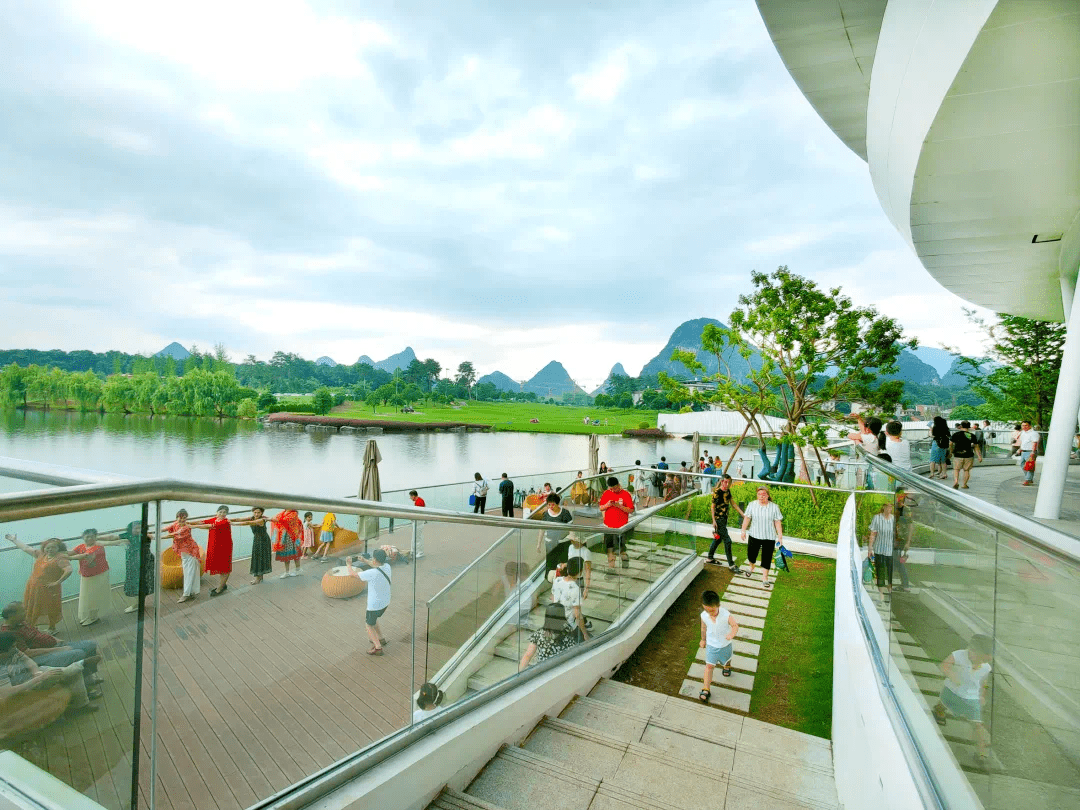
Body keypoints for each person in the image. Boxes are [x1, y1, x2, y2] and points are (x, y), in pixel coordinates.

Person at [1, 603, 101, 695]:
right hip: (41, 655)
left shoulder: (22, 623)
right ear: (11, 616)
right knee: (78, 654)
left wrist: (57, 640)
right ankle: (84, 690)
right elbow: (28, 653)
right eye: (22, 611)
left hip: (53, 645)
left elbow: (39, 633)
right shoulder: (9, 634)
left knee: (90, 645)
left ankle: (88, 679)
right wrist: (59, 650)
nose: (25, 613)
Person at [932, 634, 993, 769]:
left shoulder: (986, 668)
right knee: (944, 704)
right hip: (952, 691)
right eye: (972, 651)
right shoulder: (959, 655)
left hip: (971, 697)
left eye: (979, 656)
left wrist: (983, 695)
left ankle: (981, 752)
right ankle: (939, 708)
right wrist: (952, 676)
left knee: (977, 724)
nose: (972, 655)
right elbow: (944, 665)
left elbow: (984, 682)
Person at [5, 535, 72, 633]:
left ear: (58, 548)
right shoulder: (41, 555)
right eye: (47, 547)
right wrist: (14, 540)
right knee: (31, 605)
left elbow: (69, 570)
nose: (50, 549)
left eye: (53, 547)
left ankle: (52, 628)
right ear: (44, 548)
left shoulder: (60, 558)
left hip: (49, 588)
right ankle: (31, 627)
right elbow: (26, 548)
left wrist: (58, 582)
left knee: (50, 607)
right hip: (33, 586)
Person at [68, 529, 125, 626]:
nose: (89, 538)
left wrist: (64, 557)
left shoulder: (98, 547)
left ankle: (93, 616)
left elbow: (83, 556)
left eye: (92, 536)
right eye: (87, 536)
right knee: (86, 597)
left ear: (96, 537)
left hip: (98, 575)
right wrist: (59, 552)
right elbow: (71, 552)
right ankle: (89, 615)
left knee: (94, 596)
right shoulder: (81, 546)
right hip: (86, 575)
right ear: (83, 537)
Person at [345, 549, 391, 656]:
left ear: (375, 559)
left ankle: (377, 647)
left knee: (368, 625)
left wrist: (348, 565)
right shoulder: (387, 567)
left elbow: (353, 574)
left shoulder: (371, 573)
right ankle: (381, 638)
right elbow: (376, 566)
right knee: (373, 620)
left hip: (374, 605)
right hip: (385, 602)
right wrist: (365, 561)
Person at [697, 589, 738, 703]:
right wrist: (703, 639)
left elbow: (735, 625)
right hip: (712, 646)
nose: (710, 613)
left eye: (712, 610)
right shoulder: (704, 615)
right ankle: (706, 689)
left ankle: (727, 666)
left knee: (727, 660)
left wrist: (731, 634)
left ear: (718, 605)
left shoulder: (726, 614)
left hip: (725, 644)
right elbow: (703, 628)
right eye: (707, 610)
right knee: (709, 667)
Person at [739, 486, 783, 589]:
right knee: (751, 555)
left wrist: (780, 536)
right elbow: (747, 518)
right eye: (759, 494)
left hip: (769, 537)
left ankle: (765, 578)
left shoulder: (774, 507)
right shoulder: (752, 505)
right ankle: (751, 567)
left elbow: (777, 522)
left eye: (764, 494)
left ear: (768, 495)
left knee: (766, 558)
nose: (761, 496)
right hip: (754, 535)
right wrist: (743, 531)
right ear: (757, 495)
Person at [519, 603, 579, 670]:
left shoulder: (539, 635)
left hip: (545, 670)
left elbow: (527, 656)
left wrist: (519, 674)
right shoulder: (568, 630)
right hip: (564, 667)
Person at [707, 475, 744, 573]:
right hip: (718, 520)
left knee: (718, 539)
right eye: (726, 482)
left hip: (724, 519)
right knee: (727, 541)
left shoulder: (727, 491)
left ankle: (710, 558)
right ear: (722, 481)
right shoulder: (717, 492)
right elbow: (712, 507)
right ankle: (731, 565)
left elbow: (733, 504)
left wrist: (743, 515)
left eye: (729, 482)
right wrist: (714, 521)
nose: (727, 484)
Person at [164, 510, 202, 603]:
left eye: (184, 517)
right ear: (177, 517)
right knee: (189, 573)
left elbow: (174, 534)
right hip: (184, 553)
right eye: (180, 517)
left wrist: (156, 537)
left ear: (186, 518)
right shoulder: (176, 524)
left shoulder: (186, 528)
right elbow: (167, 528)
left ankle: (186, 595)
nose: (182, 519)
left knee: (189, 574)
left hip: (191, 553)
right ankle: (192, 592)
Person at [117, 519, 153, 613]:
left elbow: (150, 537)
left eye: (140, 528)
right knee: (136, 582)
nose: (138, 530)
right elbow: (112, 537)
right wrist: (98, 539)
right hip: (134, 563)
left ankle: (139, 604)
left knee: (141, 582)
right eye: (135, 528)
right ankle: (139, 604)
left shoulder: (144, 536)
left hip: (144, 561)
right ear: (131, 529)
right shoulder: (128, 535)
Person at [599, 476, 634, 570]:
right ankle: (611, 568)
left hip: (621, 528)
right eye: (611, 489)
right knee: (609, 549)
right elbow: (601, 507)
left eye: (615, 488)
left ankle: (625, 564)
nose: (613, 490)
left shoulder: (626, 494)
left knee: (621, 550)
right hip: (608, 527)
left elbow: (631, 510)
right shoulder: (606, 493)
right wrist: (607, 505)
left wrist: (619, 506)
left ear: (618, 485)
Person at [551, 558, 590, 642]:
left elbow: (553, 598)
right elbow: (577, 614)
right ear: (579, 572)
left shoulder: (557, 580)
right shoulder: (575, 589)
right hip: (567, 625)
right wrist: (584, 634)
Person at [199, 506, 234, 596]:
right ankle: (223, 584)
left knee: (224, 567)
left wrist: (191, 526)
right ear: (217, 512)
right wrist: (187, 522)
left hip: (225, 547)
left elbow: (207, 526)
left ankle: (220, 588)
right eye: (220, 512)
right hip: (217, 547)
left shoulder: (225, 522)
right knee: (220, 566)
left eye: (224, 512)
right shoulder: (215, 519)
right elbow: (203, 522)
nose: (222, 514)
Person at [232, 507, 272, 584]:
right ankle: (260, 577)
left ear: (261, 513)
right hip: (257, 539)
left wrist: (233, 524)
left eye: (258, 513)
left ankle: (258, 578)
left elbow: (247, 523)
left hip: (263, 540)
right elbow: (239, 519)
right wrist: (227, 520)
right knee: (258, 557)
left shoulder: (261, 520)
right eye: (255, 512)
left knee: (259, 558)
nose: (256, 514)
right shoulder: (251, 518)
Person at [537, 493, 574, 576]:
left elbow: (571, 529)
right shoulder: (546, 514)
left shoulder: (565, 513)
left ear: (557, 504)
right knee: (550, 564)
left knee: (563, 564)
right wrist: (538, 544)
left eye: (552, 504)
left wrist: (572, 540)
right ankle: (551, 581)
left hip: (563, 544)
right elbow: (542, 529)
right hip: (550, 544)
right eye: (548, 505)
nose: (550, 507)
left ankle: (564, 580)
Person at [868, 503, 896, 599]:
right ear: (883, 507)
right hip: (879, 549)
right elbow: (873, 534)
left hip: (890, 550)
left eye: (891, 507)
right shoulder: (877, 518)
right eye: (888, 506)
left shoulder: (893, 519)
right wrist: (870, 548)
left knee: (890, 571)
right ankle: (881, 593)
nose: (889, 508)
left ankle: (890, 589)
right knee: (880, 571)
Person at [848, 415, 882, 489]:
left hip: (865, 467)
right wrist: (859, 418)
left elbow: (850, 435)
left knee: (862, 487)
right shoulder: (874, 437)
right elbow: (863, 430)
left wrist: (857, 440)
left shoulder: (869, 437)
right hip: (869, 467)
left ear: (869, 428)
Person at [893, 488, 915, 592]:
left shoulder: (906, 510)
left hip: (900, 539)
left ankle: (905, 585)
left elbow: (910, 526)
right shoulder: (894, 508)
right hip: (895, 539)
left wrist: (908, 542)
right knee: (897, 561)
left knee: (898, 561)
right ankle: (905, 585)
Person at [271, 509, 303, 577]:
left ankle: (298, 570)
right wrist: (270, 518)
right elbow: (276, 518)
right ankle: (287, 572)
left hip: (292, 537)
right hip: (284, 537)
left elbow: (284, 520)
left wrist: (269, 519)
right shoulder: (282, 512)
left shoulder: (294, 514)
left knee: (295, 554)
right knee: (286, 555)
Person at [950, 421, 982, 490]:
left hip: (958, 455)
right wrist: (979, 456)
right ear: (969, 427)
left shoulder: (956, 434)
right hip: (968, 455)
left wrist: (951, 451)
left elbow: (950, 444)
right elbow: (976, 447)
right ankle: (964, 484)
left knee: (956, 469)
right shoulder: (972, 436)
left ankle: (956, 482)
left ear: (961, 426)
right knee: (966, 470)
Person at [1018, 420, 1040, 486]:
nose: (1024, 427)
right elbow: (1023, 442)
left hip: (1030, 451)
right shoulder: (1023, 433)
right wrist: (1020, 449)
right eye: (1023, 425)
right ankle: (1029, 478)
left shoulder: (1033, 433)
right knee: (1022, 465)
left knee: (1030, 465)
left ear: (1030, 426)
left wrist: (1033, 452)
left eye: (1026, 425)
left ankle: (1028, 479)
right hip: (1024, 451)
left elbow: (1035, 443)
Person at [407, 491, 426, 558]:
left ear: (413, 496)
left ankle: (420, 552)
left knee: (417, 537)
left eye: (410, 497)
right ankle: (414, 551)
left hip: (418, 522)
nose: (410, 498)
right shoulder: (420, 500)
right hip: (419, 521)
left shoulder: (418, 502)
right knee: (416, 536)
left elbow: (418, 513)